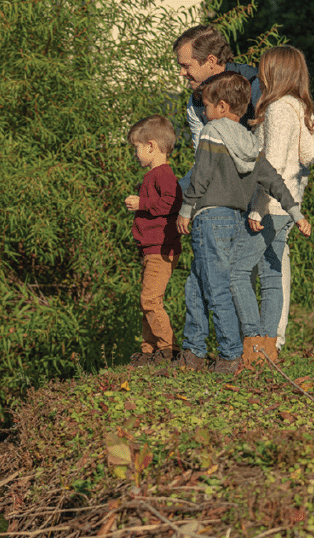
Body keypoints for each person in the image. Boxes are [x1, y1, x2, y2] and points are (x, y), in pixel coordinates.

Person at [175, 72, 311, 374]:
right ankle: (193, 351)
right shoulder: (250, 142)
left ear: (222, 107)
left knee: (216, 288)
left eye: (208, 105)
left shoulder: (212, 131)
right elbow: (273, 180)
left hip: (208, 216)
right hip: (235, 219)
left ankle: (230, 354)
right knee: (196, 285)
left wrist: (186, 208)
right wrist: (296, 213)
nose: (205, 111)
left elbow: (201, 174)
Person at [230, 45, 314, 366]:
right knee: (272, 275)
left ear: (275, 73)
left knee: (237, 271)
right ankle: (268, 349)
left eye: (263, 69)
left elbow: (270, 164)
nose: (258, 74)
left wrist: (257, 208)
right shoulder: (298, 108)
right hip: (287, 208)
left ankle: (254, 345)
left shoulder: (278, 109)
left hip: (269, 206)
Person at [124, 115, 183, 366]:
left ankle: (167, 350)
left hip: (161, 249)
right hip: (151, 248)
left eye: (136, 148)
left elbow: (172, 202)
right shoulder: (153, 175)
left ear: (150, 146)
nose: (135, 154)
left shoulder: (162, 174)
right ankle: (149, 351)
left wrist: (141, 204)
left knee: (150, 300)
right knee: (146, 300)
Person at [173, 24, 261, 192]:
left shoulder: (255, 85)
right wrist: (174, 195)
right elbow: (203, 162)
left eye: (186, 66)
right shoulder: (196, 103)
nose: (181, 73)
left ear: (211, 61)